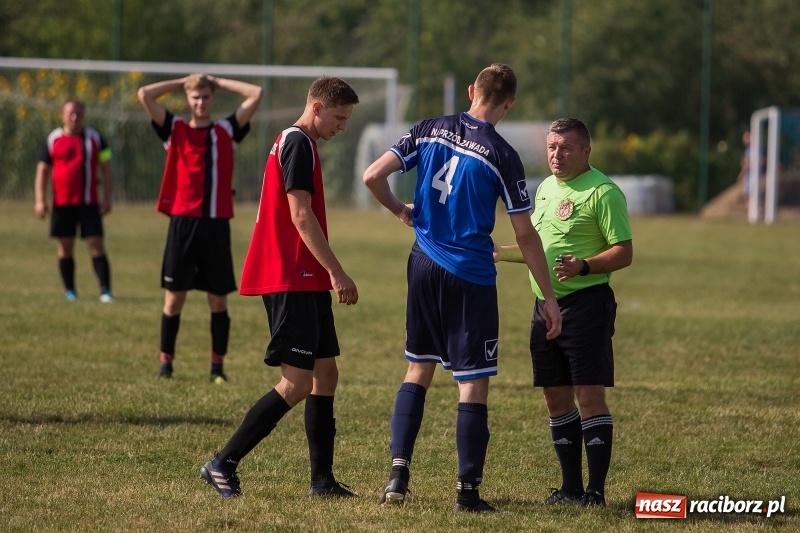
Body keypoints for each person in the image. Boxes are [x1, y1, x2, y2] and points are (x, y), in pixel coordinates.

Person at [362, 63, 562, 513]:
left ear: (472, 90)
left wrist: (399, 210)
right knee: (471, 383)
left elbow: (372, 175)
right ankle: (467, 493)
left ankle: (397, 476)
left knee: (418, 369)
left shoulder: (429, 128)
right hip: (470, 276)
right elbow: (526, 235)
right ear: (508, 104)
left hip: (422, 264)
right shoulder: (503, 155)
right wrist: (549, 297)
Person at [198, 76, 360, 499]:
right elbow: (300, 215)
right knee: (296, 383)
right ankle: (222, 463)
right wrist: (337, 272)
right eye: (339, 118)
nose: (342, 127)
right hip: (291, 276)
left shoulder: (299, 143)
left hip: (304, 276)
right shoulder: (296, 143)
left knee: (326, 374)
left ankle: (322, 481)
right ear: (318, 107)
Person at [495, 117, 633, 508]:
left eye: (566, 148)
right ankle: (570, 487)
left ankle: (596, 492)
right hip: (545, 306)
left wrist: (584, 266)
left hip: (586, 305)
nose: (557, 155)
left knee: (589, 397)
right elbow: (534, 248)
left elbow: (624, 251)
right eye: (552, 147)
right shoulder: (545, 189)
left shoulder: (603, 192)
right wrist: (498, 253)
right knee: (556, 398)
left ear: (586, 151)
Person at [137, 74, 262, 383]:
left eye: (205, 97)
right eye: (195, 97)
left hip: (217, 225)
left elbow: (255, 93)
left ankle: (217, 368)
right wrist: (182, 81)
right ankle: (166, 363)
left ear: (213, 98)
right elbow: (145, 95)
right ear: (188, 100)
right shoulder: (175, 129)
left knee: (217, 300)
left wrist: (217, 80)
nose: (200, 102)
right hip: (183, 224)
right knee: (174, 298)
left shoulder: (226, 130)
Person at [34, 99, 115, 303]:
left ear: (84, 115)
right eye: (70, 113)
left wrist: (107, 198)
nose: (74, 117)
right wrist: (40, 200)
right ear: (63, 115)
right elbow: (43, 170)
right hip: (62, 203)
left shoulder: (95, 138)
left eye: (78, 113)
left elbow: (106, 166)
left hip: (89, 202)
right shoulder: (53, 139)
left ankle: (105, 291)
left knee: (96, 243)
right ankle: (70, 291)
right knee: (65, 246)